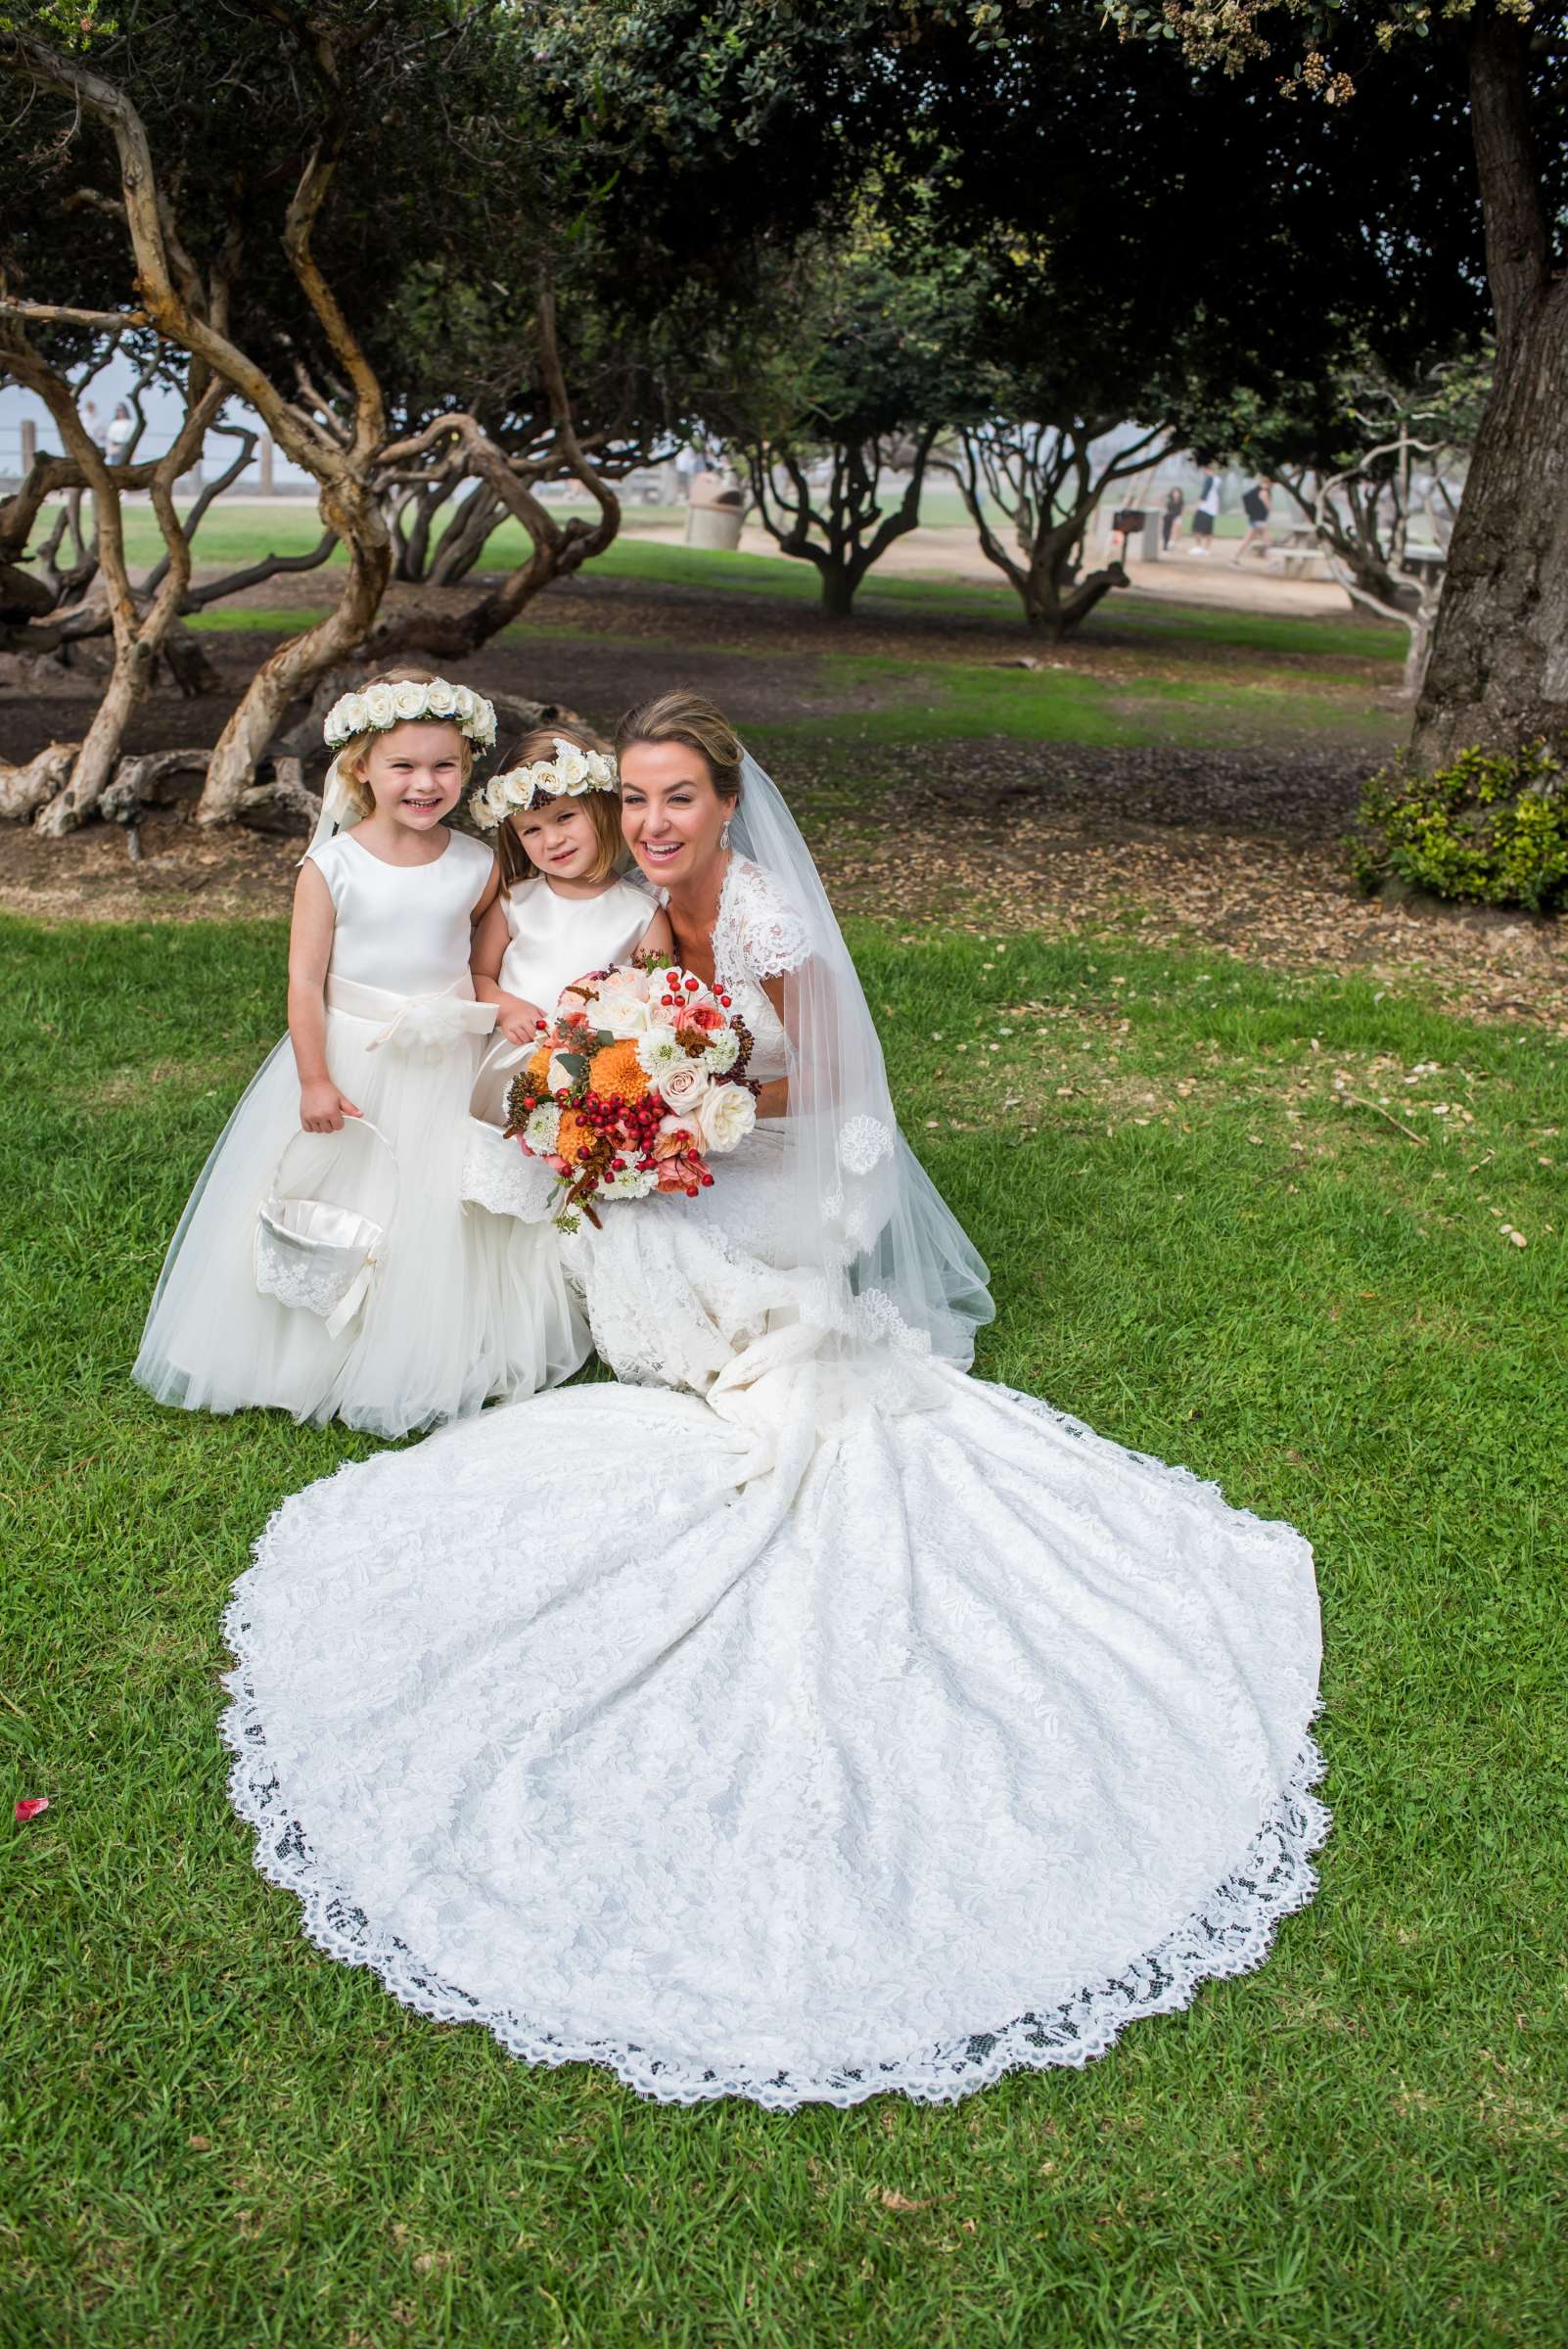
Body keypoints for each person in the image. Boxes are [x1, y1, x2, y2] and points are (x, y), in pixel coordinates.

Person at [222, 689, 1326, 2111]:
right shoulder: (636, 910)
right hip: (701, 1127)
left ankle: (737, 1335)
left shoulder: (759, 918)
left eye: (676, 798)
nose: (651, 823)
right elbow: (586, 1012)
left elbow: (830, 1077)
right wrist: (626, 1087)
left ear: (726, 805)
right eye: (635, 800)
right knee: (608, 1203)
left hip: (789, 1152)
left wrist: (687, 1085)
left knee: (654, 1227)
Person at [134, 668, 581, 1435]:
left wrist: (497, 1003)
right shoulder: (332, 866)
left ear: (467, 768)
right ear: (360, 769)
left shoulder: (476, 865)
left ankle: (418, 1342)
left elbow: (478, 960)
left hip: (444, 1059)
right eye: (402, 765)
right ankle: (299, 1351)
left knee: (436, 1204)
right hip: (352, 1056)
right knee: (341, 1196)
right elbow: (305, 982)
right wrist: (314, 1077)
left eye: (444, 765)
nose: (424, 782)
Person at [461, 723, 671, 1320]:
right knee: (502, 1170)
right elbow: (478, 977)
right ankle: (495, 1268)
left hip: (593, 1073)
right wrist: (505, 1005)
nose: (550, 839)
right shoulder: (515, 902)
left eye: (565, 819)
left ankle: (567, 1277)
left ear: (601, 810)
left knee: (571, 1170)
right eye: (531, 829)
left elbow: (658, 1007)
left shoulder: (640, 914)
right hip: (511, 1061)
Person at [1233, 478, 1273, 564]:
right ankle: (1273, 561)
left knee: (1247, 540)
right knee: (1267, 541)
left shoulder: (1255, 490)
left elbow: (1245, 497)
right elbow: (1269, 507)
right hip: (1260, 520)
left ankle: (1235, 557)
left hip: (1254, 519)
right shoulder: (1264, 492)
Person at [1190, 471, 1221, 554]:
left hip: (1204, 508)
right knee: (1208, 529)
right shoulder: (1216, 481)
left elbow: (1204, 494)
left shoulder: (1210, 480)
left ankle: (1199, 546)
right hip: (1211, 509)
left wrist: (1196, 507)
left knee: (1197, 528)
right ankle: (1206, 548)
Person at [105, 401, 134, 465]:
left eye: (121, 410)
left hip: (125, 447)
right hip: (114, 449)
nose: (120, 412)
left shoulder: (130, 423)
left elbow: (130, 436)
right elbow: (110, 436)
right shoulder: (114, 423)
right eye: (118, 410)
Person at [1162, 484, 1185, 549]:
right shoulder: (1169, 501)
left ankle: (1172, 542)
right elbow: (1166, 509)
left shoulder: (1181, 501)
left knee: (1175, 528)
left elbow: (1182, 510)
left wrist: (1181, 518)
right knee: (1168, 529)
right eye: (1174, 493)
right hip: (1169, 516)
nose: (1176, 494)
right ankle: (1168, 542)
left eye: (1177, 493)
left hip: (1177, 516)